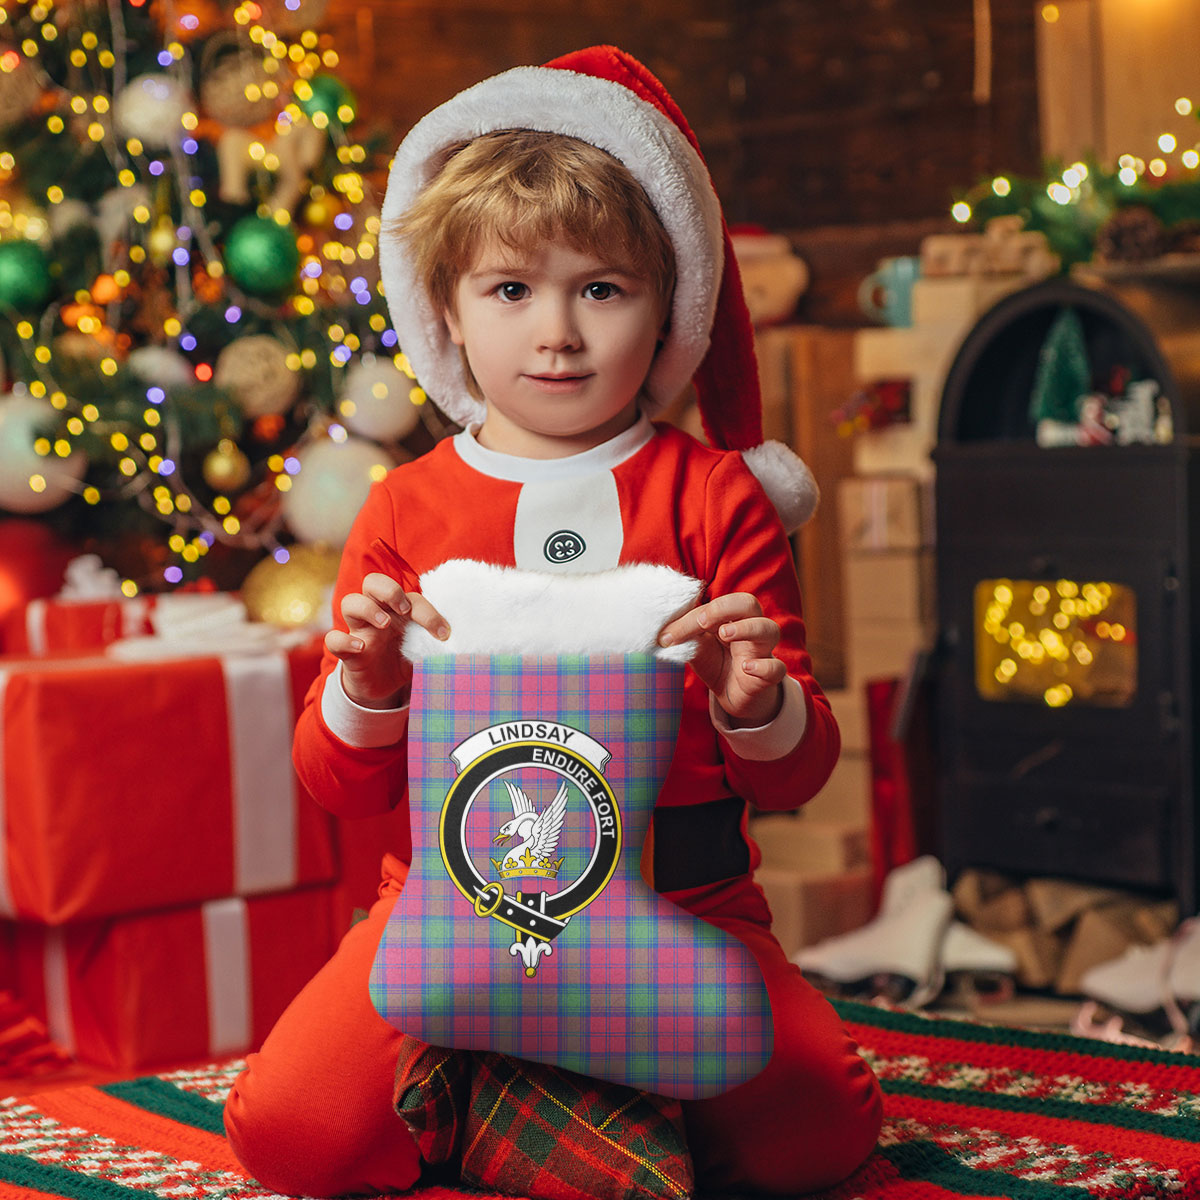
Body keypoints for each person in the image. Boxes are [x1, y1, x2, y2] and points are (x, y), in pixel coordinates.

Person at [224, 45, 882, 1197]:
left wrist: (760, 705)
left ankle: (526, 1088)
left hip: (685, 904)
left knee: (818, 1137)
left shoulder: (715, 496)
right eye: (512, 289)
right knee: (292, 1135)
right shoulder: (407, 503)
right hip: (449, 902)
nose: (558, 334)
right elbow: (338, 784)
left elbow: (796, 780)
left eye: (602, 288)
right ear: (446, 310)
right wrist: (369, 686)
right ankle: (541, 1086)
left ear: (665, 303)